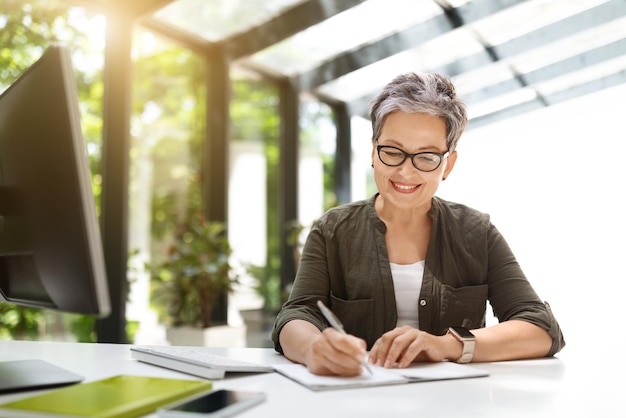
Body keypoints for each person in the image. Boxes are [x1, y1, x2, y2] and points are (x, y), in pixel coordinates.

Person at [271, 72, 565, 377]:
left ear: (448, 164)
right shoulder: (332, 230)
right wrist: (312, 348)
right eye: (393, 152)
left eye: (426, 157)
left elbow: (540, 327)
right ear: (374, 151)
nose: (406, 172)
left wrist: (446, 345)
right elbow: (297, 313)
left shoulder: (477, 233)